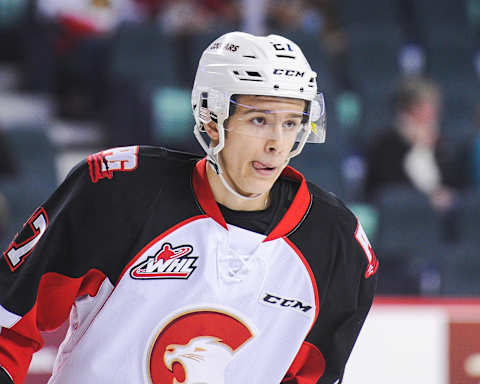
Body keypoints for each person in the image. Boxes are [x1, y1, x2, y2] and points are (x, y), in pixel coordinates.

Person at [0, 31, 378, 383]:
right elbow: (9, 319)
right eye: (260, 119)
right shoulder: (117, 192)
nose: (278, 144)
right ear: (212, 120)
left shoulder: (337, 244)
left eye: (293, 122)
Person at [364, 77, 458, 210]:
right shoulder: (385, 144)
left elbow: (453, 183)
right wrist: (417, 148)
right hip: (401, 214)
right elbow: (390, 188)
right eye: (427, 106)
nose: (434, 113)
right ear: (408, 110)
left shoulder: (441, 144)